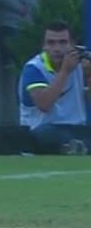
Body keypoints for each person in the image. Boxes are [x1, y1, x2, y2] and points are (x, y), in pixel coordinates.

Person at [17, 20, 91, 155]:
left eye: (63, 43)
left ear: (72, 45)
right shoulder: (34, 68)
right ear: (44, 46)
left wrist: (89, 77)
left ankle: (76, 147)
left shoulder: (81, 65)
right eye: (51, 43)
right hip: (44, 128)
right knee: (45, 134)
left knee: (80, 134)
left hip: (76, 127)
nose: (57, 49)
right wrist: (65, 71)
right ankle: (77, 147)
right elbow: (44, 104)